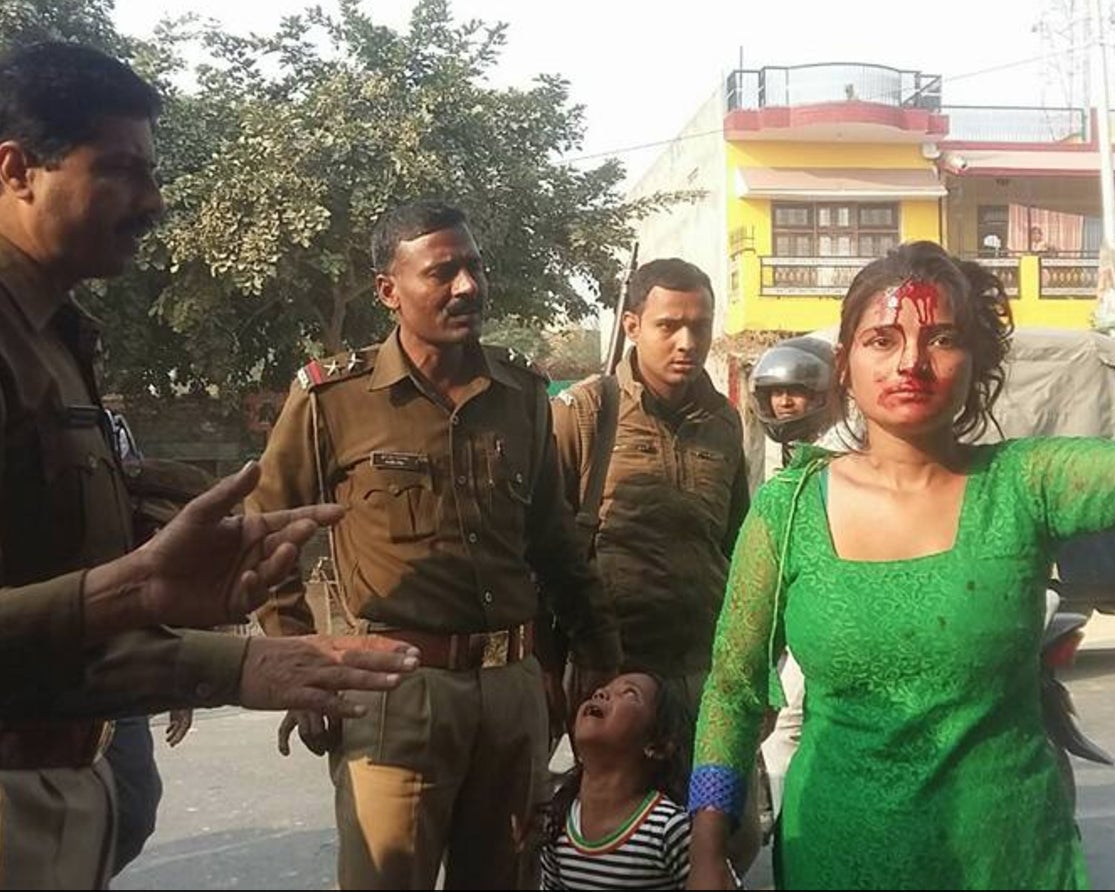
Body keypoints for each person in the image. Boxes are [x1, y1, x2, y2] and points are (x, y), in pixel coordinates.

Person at [0, 41, 420, 889]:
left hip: (66, 786)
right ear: (17, 170)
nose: (152, 202)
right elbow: (95, 601)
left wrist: (239, 665)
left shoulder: (56, 339)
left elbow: (60, 634)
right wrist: (128, 591)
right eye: (119, 171)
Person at [688, 239, 1115, 889]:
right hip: (837, 857)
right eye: (881, 340)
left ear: (975, 362)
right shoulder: (787, 511)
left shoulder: (1026, 483)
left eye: (941, 339)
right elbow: (731, 689)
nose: (910, 363)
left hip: (1010, 859)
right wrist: (704, 854)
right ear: (844, 363)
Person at [249, 200, 622, 890]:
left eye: (473, 268)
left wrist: (600, 654)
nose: (467, 288)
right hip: (395, 690)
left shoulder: (521, 394)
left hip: (511, 696)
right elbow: (268, 531)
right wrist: (293, 659)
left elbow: (554, 541)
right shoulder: (334, 398)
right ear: (389, 290)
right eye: (442, 272)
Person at [548, 258, 758, 867]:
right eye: (669, 325)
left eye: (700, 325)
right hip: (611, 677)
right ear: (634, 324)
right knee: (613, 848)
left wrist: (753, 671)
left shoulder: (723, 421)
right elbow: (544, 551)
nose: (687, 342)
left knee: (722, 845)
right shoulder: (587, 413)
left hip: (702, 674)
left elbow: (738, 547)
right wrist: (551, 664)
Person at [746, 336, 834, 826]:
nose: (783, 403)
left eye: (796, 392)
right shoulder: (788, 461)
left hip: (834, 612)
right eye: (776, 393)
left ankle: (793, 831)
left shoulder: (845, 453)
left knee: (789, 732)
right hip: (793, 617)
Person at [540, 671, 693, 890]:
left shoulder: (670, 830)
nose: (601, 693)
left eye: (629, 693)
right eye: (604, 688)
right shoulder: (560, 819)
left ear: (655, 746)